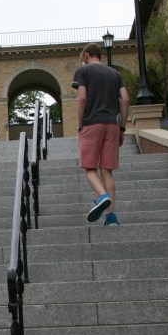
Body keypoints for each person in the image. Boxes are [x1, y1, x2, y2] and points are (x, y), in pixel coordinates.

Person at [73, 43, 130, 226]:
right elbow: (126, 100)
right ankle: (111, 217)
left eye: (84, 58)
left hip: (92, 123)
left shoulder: (83, 71)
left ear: (87, 55)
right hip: (112, 125)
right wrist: (121, 128)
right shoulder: (115, 74)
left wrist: (80, 124)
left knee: (90, 169)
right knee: (107, 170)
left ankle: (102, 196)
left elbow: (82, 98)